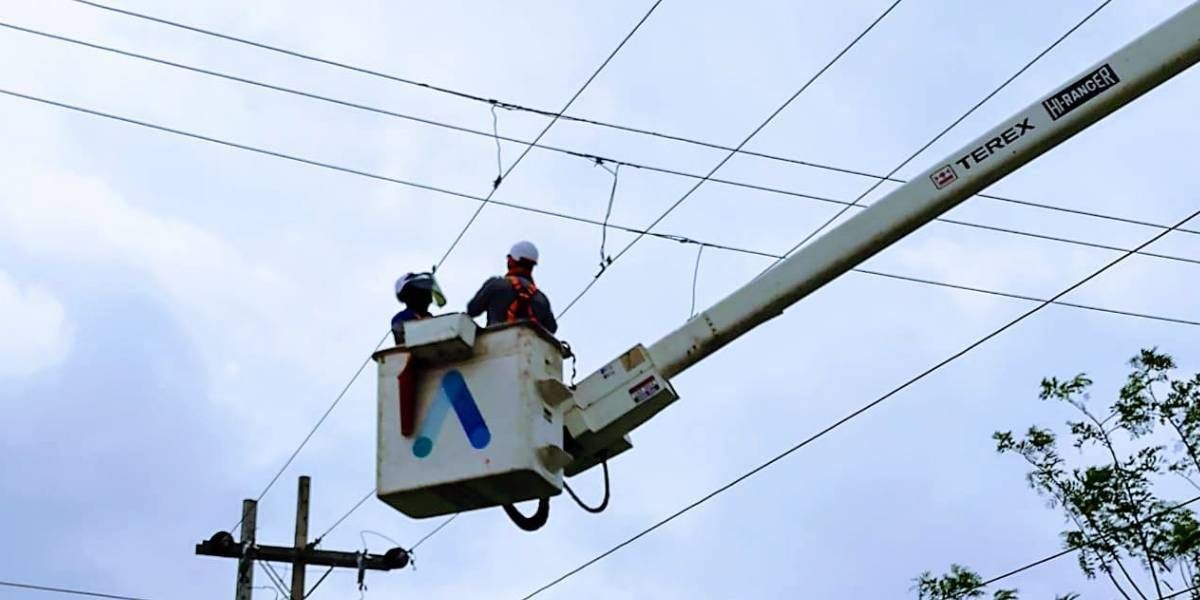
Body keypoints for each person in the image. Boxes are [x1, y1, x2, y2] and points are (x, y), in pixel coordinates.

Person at [467, 241, 558, 334]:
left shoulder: (496, 285)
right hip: (527, 347)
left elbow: (472, 309)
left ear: (511, 261)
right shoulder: (541, 299)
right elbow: (552, 328)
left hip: (494, 345)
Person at [391, 272, 446, 345]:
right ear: (408, 296)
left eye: (428, 291)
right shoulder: (402, 317)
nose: (427, 296)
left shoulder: (430, 317)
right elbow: (402, 333)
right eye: (421, 291)